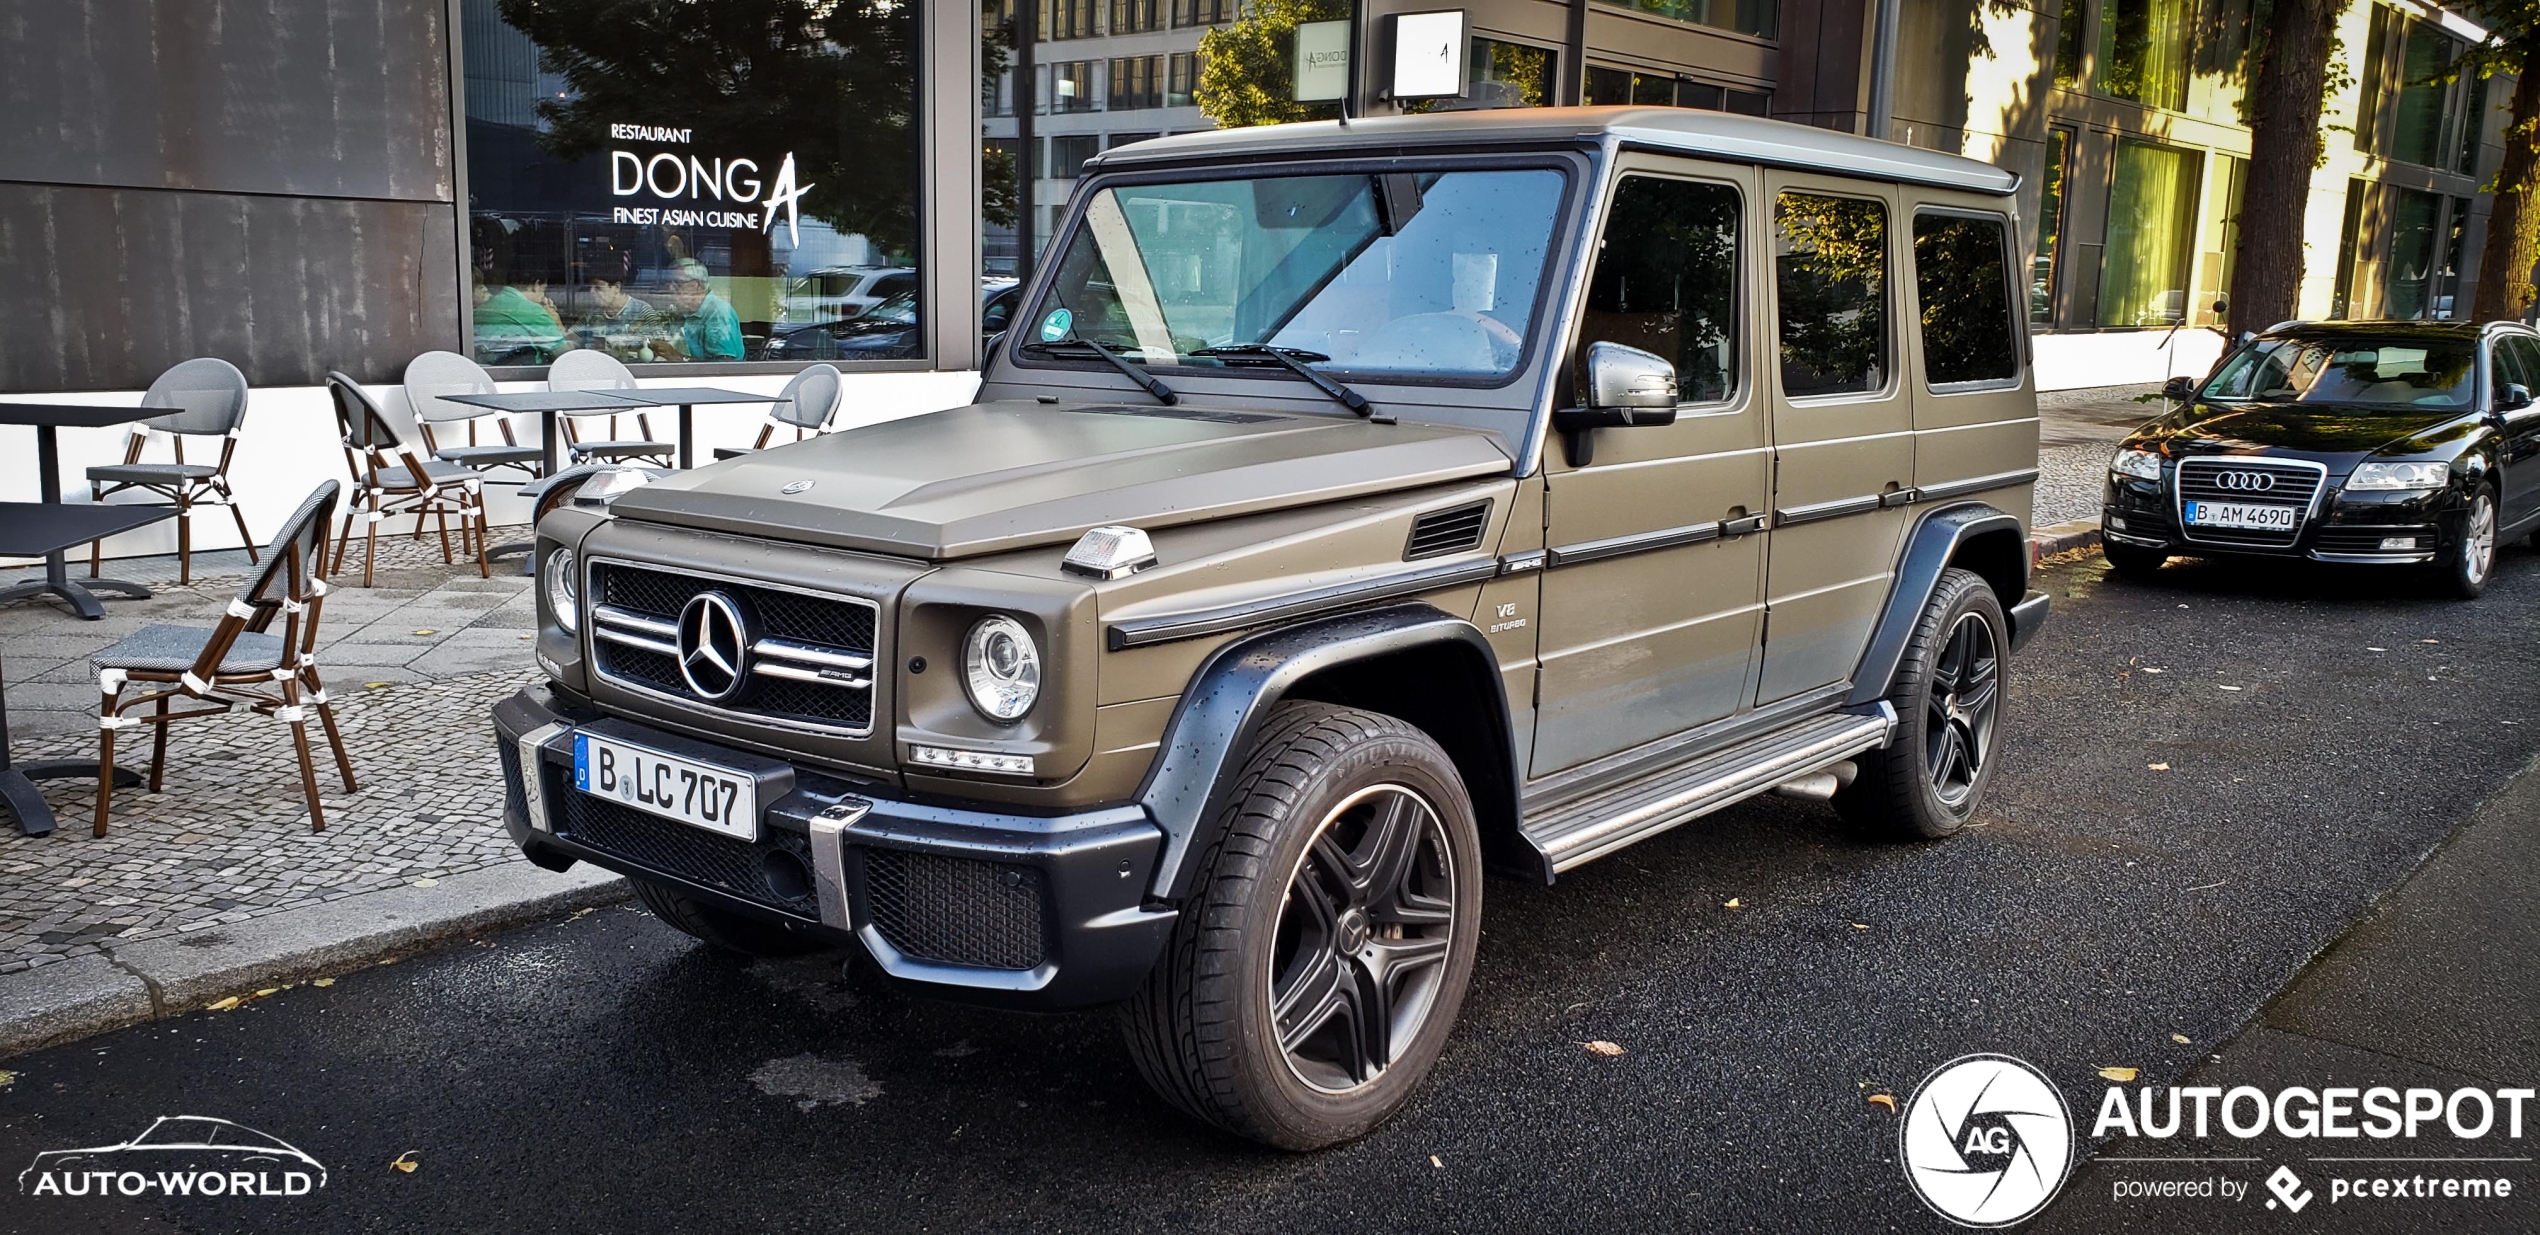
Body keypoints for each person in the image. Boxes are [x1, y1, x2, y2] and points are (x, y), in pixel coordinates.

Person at [649, 259, 744, 361]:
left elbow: (723, 366)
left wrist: (676, 356)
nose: (671, 288)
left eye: (677, 283)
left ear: (696, 285)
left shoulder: (718, 312)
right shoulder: (687, 310)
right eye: (669, 283)